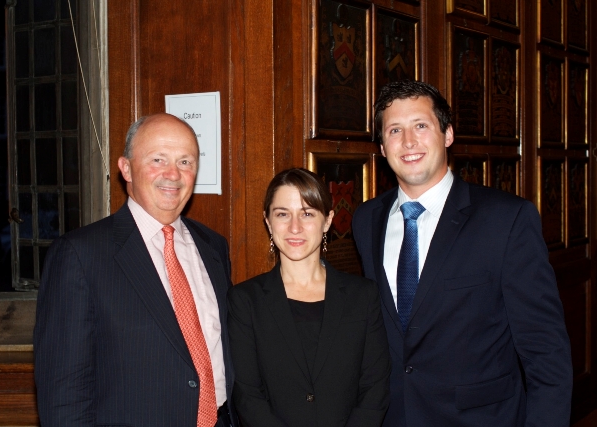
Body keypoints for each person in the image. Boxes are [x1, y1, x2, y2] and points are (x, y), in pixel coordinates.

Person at [352, 80, 573, 426]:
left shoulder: (507, 219)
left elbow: (546, 351)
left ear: (448, 134)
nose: (408, 142)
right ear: (382, 147)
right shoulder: (367, 220)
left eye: (420, 126)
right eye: (394, 130)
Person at [34, 113, 238, 427]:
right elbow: (64, 391)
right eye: (158, 159)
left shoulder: (214, 247)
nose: (173, 174)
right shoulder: (80, 255)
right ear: (126, 168)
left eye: (186, 162)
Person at [227, 168, 391, 427]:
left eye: (307, 214)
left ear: (327, 221)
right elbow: (247, 395)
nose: (295, 227)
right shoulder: (245, 300)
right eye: (282, 214)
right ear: (268, 222)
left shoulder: (363, 296)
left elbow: (375, 387)